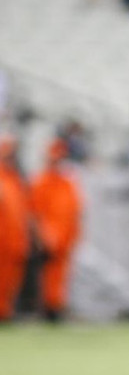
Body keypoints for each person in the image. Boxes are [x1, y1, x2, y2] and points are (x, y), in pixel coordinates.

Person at [30, 138, 82, 322]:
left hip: (65, 240)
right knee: (47, 277)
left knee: (61, 277)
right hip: (49, 240)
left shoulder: (67, 182)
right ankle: (47, 309)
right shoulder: (41, 182)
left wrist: (74, 235)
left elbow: (75, 212)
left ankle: (56, 307)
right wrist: (40, 238)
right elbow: (34, 214)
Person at [0, 134, 30, 322]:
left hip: (16, 241)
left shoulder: (16, 180)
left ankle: (6, 312)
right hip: (3, 240)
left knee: (11, 281)